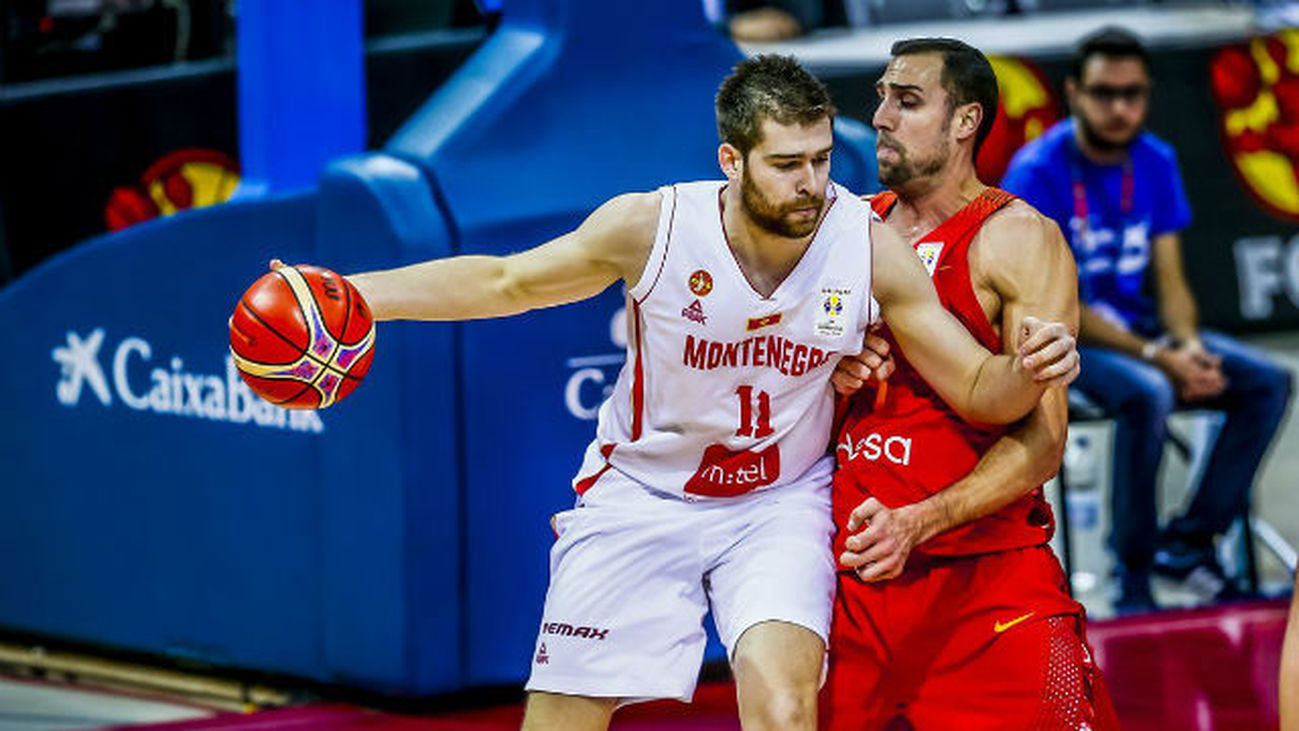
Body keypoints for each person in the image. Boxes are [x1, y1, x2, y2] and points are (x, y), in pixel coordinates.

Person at [278, 55, 1078, 730]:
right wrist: (352, 291)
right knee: (562, 716)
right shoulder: (651, 227)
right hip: (643, 493)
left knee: (784, 703)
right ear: (730, 161)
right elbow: (503, 280)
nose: (811, 183)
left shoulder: (860, 243)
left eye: (822, 158)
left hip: (777, 502)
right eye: (786, 163)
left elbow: (977, 385)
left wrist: (1029, 367)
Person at [824, 38, 1118, 729]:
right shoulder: (843, 230)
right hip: (844, 579)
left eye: (907, 100)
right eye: (880, 97)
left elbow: (1042, 443)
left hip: (985, 581)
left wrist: (919, 521)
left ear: (965, 121)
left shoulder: (1015, 237)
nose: (881, 117)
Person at [1002, 26, 1294, 612]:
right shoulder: (1037, 171)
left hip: (1144, 335)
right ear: (1074, 92)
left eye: (1132, 94)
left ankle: (1188, 543)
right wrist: (1161, 358)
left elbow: (1172, 279)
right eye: (1104, 93)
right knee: (1149, 393)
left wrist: (1187, 345)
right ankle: (1129, 576)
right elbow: (1054, 303)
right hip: (1064, 340)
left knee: (1270, 380)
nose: (1120, 108)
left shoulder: (1155, 160)